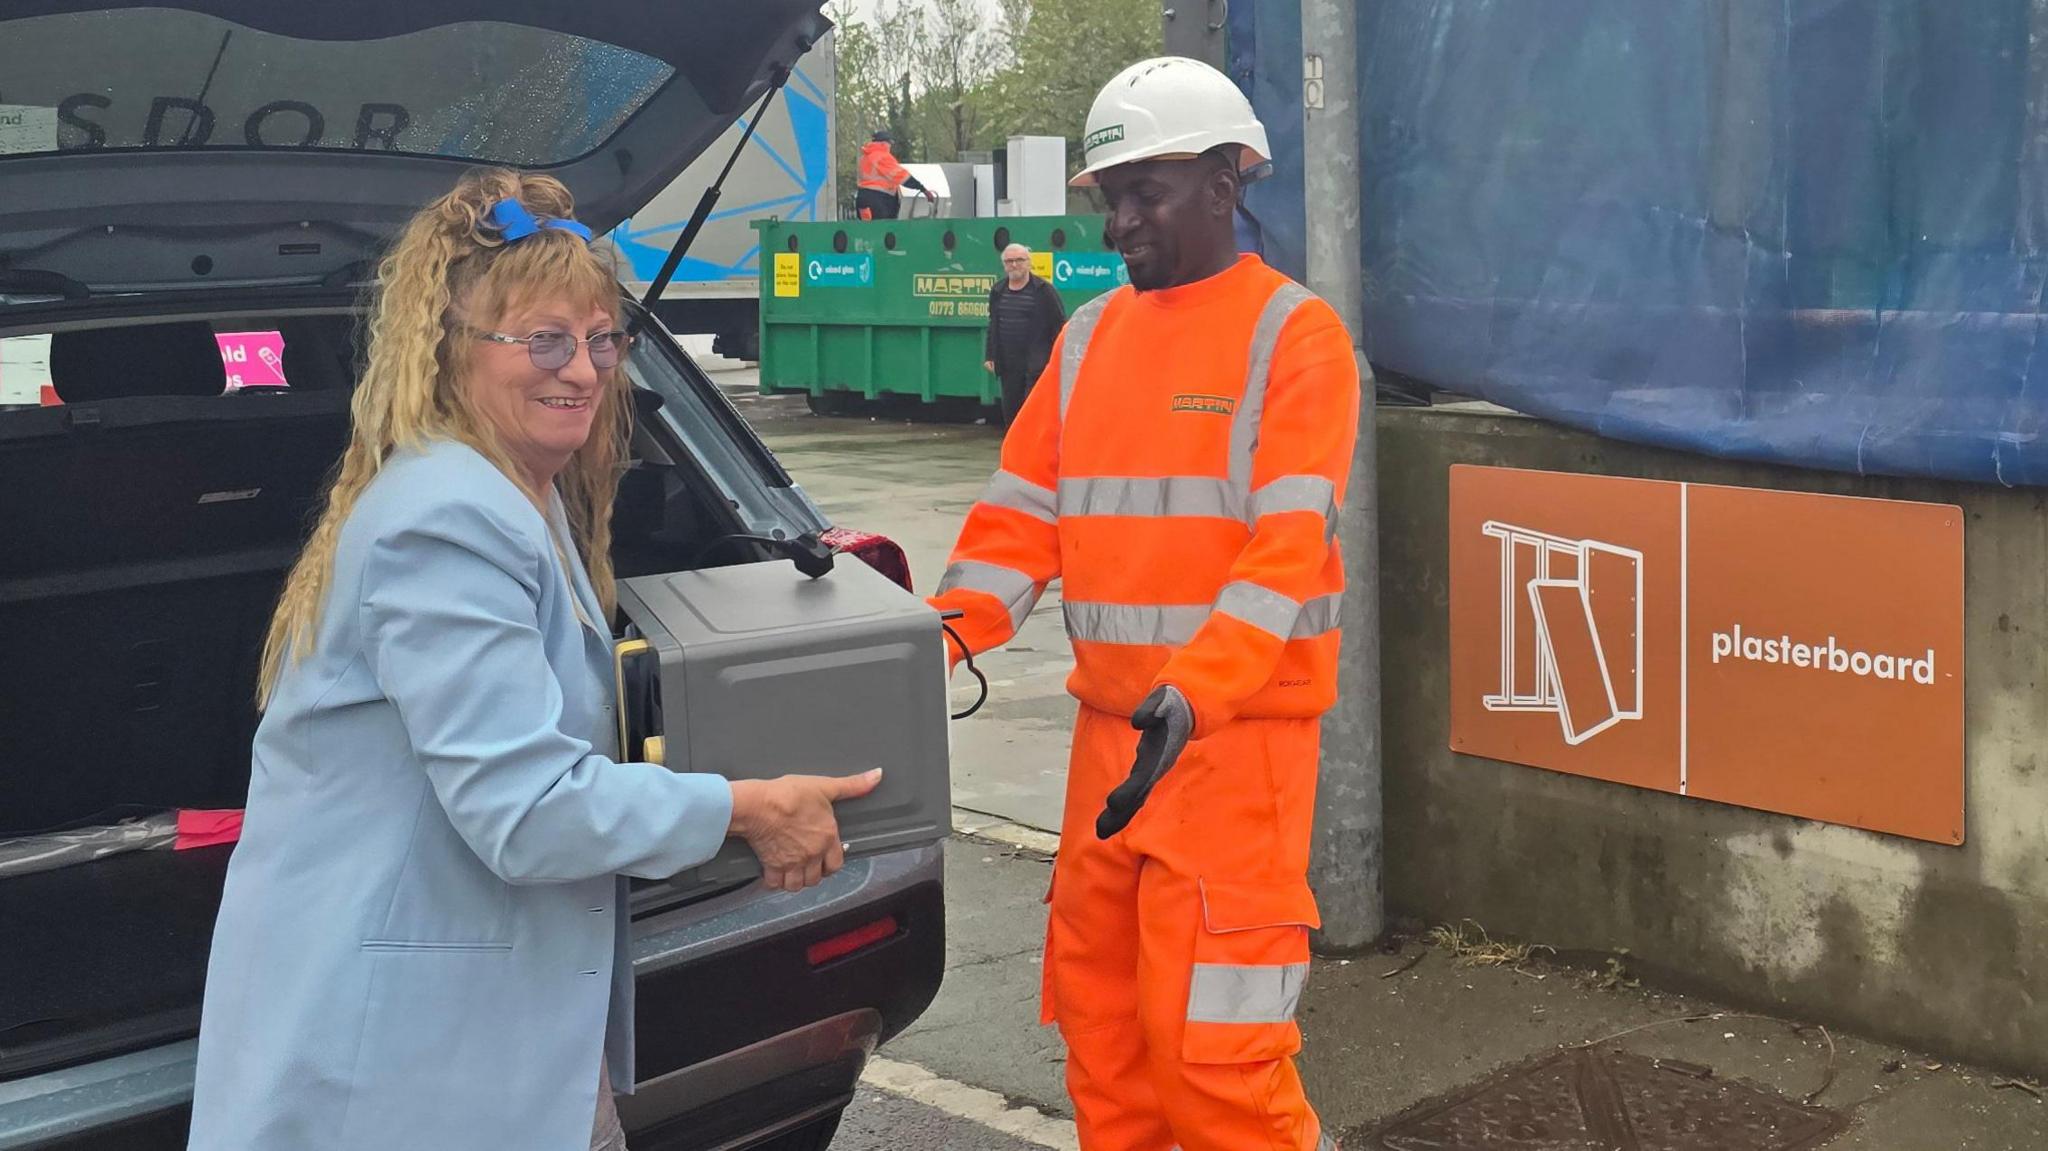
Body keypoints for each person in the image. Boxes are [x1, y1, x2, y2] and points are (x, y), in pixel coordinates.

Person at [186, 168, 880, 1151]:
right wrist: (744, 807)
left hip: (484, 1026)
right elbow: (527, 811)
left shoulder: (509, 493)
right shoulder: (447, 518)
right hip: (399, 1054)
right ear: (449, 353)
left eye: (601, 339)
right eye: (544, 339)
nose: (585, 370)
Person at [929, 57, 1357, 1151]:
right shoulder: (1083, 341)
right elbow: (1017, 525)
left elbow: (1285, 548)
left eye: (1143, 192)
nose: (1117, 221)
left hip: (1232, 750)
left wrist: (1197, 690)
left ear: (1223, 183)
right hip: (1107, 741)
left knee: (1216, 1062)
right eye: (1106, 196)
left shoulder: (1291, 335)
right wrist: (930, 637)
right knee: (1104, 1038)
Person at [983, 243, 1066, 425]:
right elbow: (993, 324)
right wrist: (990, 355)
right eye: (1009, 261)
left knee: (1033, 412)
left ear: (1029, 263)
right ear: (1004, 265)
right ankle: (1014, 451)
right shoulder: (998, 291)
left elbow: (1059, 325)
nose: (1014, 265)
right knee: (1011, 413)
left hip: (1037, 363)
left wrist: (1056, 359)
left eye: (1019, 260)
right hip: (1008, 364)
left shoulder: (1044, 291)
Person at [856, 129, 934, 219]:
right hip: (879, 201)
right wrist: (922, 188)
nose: (890, 146)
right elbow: (902, 176)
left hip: (863, 199)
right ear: (884, 143)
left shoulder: (864, 158)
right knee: (883, 230)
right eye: (890, 143)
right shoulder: (882, 156)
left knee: (868, 230)